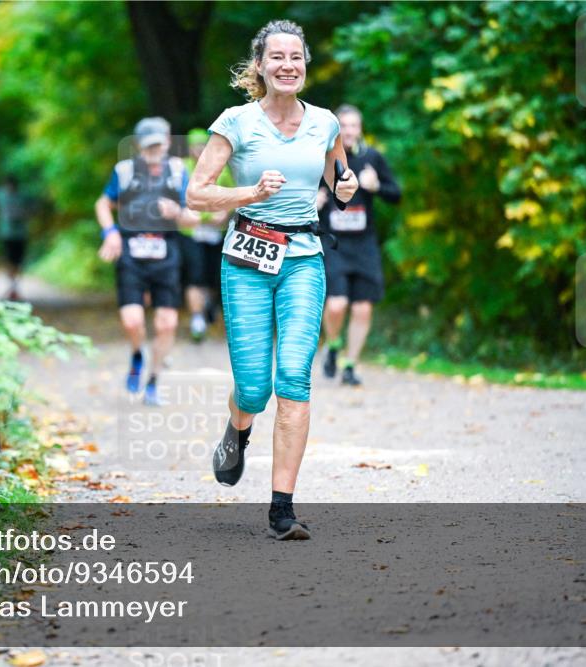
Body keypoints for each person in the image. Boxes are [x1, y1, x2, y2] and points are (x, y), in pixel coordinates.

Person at [186, 20, 357, 539]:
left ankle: (282, 509)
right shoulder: (235, 123)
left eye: (296, 57)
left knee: (294, 379)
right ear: (260, 65)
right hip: (247, 259)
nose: (288, 65)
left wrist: (345, 187)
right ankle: (238, 429)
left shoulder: (325, 122)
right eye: (277, 57)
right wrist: (250, 194)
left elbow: (340, 180)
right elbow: (197, 194)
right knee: (255, 388)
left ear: (306, 65)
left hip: (304, 256)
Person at [96, 117, 199, 406]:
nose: (156, 150)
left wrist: (177, 212)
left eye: (160, 143)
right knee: (133, 321)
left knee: (167, 323)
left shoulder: (178, 171)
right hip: (131, 250)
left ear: (168, 141)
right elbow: (104, 203)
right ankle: (137, 354)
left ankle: (153, 381)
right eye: (150, 145)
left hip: (166, 251)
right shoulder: (125, 171)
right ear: (140, 145)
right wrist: (110, 233)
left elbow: (194, 216)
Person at [316, 104, 401, 386]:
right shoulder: (324, 158)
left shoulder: (371, 158)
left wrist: (376, 186)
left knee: (363, 308)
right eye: (344, 126)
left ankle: (350, 364)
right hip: (334, 243)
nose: (350, 131)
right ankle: (333, 345)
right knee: (337, 304)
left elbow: (396, 194)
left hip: (364, 244)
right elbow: (302, 195)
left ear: (360, 129)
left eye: (354, 126)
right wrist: (314, 203)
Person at [181, 129, 234, 341]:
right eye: (195, 146)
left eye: (203, 145)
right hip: (190, 232)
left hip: (215, 231)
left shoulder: (222, 168)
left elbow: (234, 194)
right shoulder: (182, 169)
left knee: (213, 276)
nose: (199, 150)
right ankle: (197, 319)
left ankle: (208, 308)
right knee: (195, 275)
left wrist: (224, 212)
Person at [0, 176, 31, 301]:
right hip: (7, 235)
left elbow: (28, 213)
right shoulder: (1, 196)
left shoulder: (21, 198)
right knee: (9, 261)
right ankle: (11, 287)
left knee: (18, 262)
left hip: (20, 235)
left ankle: (14, 287)